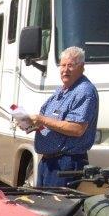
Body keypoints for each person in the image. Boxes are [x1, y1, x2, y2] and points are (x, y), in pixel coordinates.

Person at [28, 46, 98, 187]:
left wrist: (41, 119)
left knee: (54, 206)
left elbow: (76, 128)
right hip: (49, 162)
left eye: (70, 66)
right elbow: (50, 122)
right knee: (42, 205)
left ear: (82, 67)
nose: (65, 70)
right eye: (63, 65)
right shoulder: (61, 91)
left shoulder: (84, 91)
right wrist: (32, 124)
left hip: (65, 163)